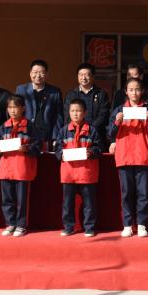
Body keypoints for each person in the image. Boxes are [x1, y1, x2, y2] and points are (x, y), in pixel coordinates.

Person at [109, 78, 148, 238]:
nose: (134, 93)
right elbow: (110, 133)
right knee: (126, 193)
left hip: (143, 155)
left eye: (137, 89)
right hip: (125, 155)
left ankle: (142, 224)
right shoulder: (119, 110)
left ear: (142, 91)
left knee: (143, 193)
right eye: (131, 89)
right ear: (126, 92)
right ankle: (128, 224)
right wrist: (116, 122)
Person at [55, 99, 102, 237]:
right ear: (69, 112)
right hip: (68, 173)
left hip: (86, 173)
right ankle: (68, 227)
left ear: (85, 113)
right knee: (68, 203)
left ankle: (89, 227)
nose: (75, 114)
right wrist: (61, 154)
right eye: (73, 111)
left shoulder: (92, 130)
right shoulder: (63, 131)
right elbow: (57, 148)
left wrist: (91, 152)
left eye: (79, 111)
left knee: (89, 203)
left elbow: (99, 148)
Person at [0, 96, 39, 238]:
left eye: (15, 107)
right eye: (10, 108)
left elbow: (37, 146)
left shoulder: (30, 126)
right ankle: (10, 223)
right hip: (6, 167)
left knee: (22, 200)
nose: (13, 111)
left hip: (22, 168)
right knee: (7, 199)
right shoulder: (3, 127)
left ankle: (21, 225)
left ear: (23, 108)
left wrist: (27, 148)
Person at [15, 59, 63, 149]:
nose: (38, 76)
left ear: (47, 74)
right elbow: (16, 112)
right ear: (30, 73)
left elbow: (58, 116)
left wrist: (56, 137)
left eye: (41, 72)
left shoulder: (55, 92)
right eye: (35, 72)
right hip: (26, 134)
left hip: (47, 135)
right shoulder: (21, 90)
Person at [64, 62, 112, 146]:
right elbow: (67, 115)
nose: (83, 77)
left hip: (96, 135)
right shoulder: (71, 94)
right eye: (81, 75)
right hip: (75, 135)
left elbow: (103, 114)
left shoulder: (101, 94)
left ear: (92, 76)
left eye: (87, 75)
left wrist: (90, 129)